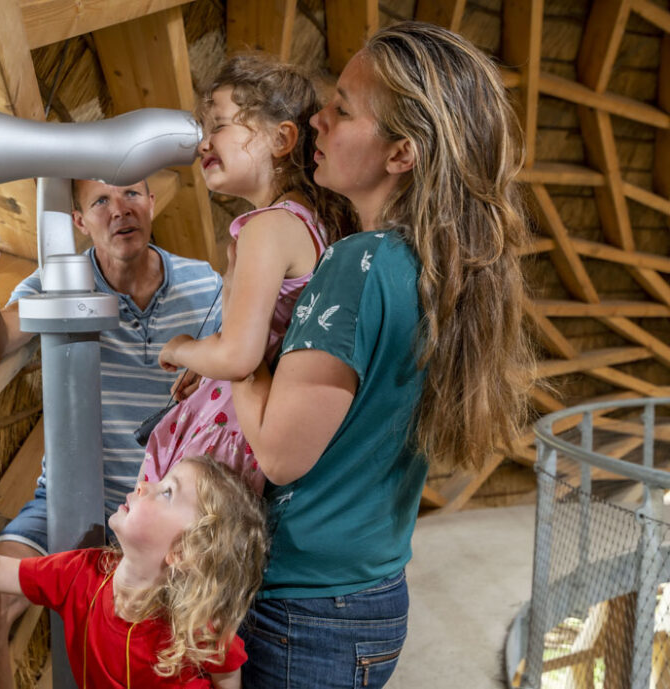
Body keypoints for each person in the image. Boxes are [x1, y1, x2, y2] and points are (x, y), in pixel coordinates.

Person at [229, 22, 535, 688]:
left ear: (401, 153)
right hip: (370, 596)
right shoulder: (440, 268)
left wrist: (239, 355)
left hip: (308, 608)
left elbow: (280, 452)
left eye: (342, 107)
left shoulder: (358, 264)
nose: (318, 118)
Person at [0, 179, 222, 688]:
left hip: (166, 513)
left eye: (133, 194)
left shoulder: (205, 286)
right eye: (100, 201)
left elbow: (247, 365)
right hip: (67, 501)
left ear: (153, 202)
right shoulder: (60, 281)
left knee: (201, 633)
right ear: (79, 221)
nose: (120, 211)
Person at [141, 53, 353, 494]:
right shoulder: (307, 222)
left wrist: (183, 349)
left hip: (231, 430)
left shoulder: (268, 229)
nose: (203, 144)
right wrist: (208, 362)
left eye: (218, 125)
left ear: (281, 139)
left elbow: (239, 358)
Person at [0, 455, 268, 689]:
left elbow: (227, 677)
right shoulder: (80, 573)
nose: (145, 484)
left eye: (167, 492)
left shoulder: (200, 624)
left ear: (183, 552)